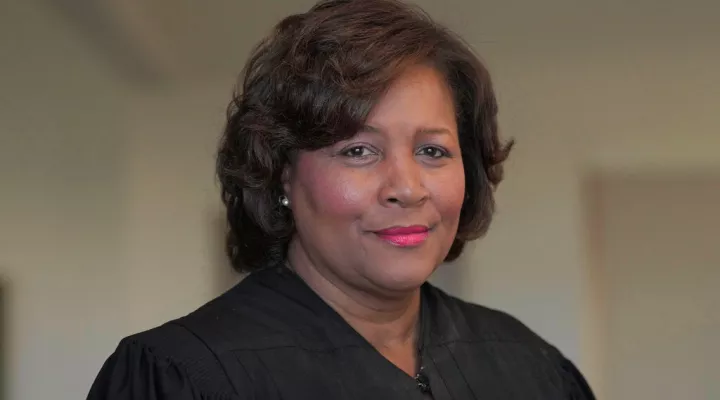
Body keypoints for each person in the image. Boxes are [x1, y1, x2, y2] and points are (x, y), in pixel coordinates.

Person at [87, 0, 595, 399]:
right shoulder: (183, 376)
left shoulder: (531, 367)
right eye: (358, 150)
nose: (407, 187)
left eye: (433, 150)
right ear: (281, 174)